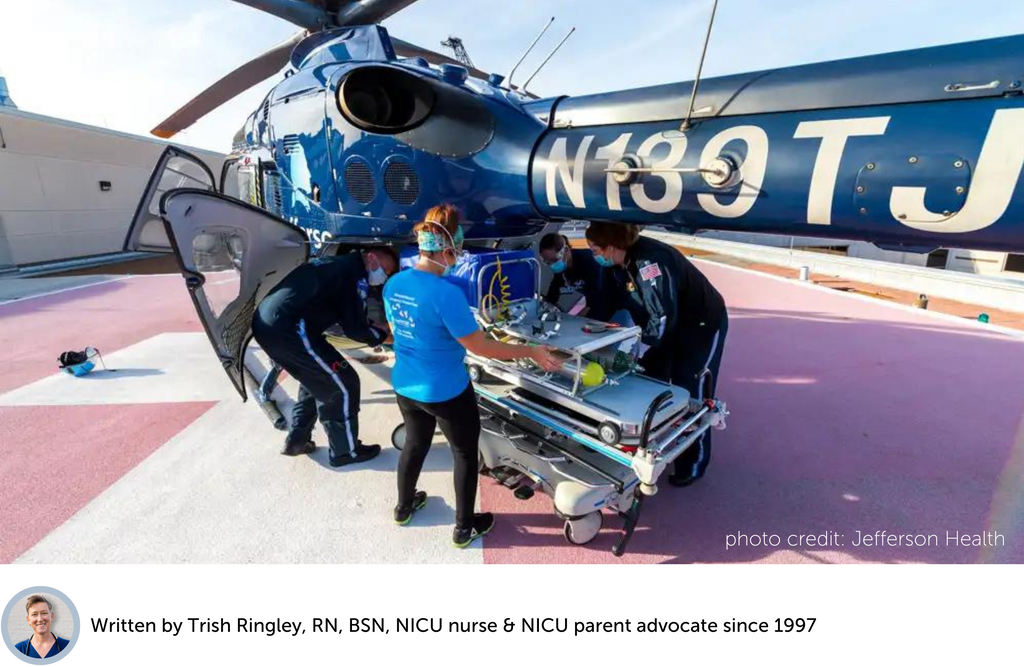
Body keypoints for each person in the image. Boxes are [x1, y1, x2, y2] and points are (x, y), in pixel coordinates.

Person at [384, 204, 562, 547]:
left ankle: (404, 507)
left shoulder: (395, 283)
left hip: (406, 384)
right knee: (464, 454)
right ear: (448, 248)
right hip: (446, 391)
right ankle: (464, 527)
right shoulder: (446, 293)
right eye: (459, 245)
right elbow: (481, 347)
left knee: (415, 444)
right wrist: (532, 351)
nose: (461, 253)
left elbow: (398, 330)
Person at [586, 222, 728, 487]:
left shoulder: (651, 262)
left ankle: (693, 462)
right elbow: (606, 302)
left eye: (595, 249)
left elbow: (661, 317)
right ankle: (647, 447)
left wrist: (637, 347)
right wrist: (590, 331)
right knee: (649, 382)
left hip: (701, 326)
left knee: (690, 391)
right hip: (664, 327)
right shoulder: (616, 265)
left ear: (611, 247)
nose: (594, 254)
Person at [252, 246, 397, 466]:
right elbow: (355, 329)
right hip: (289, 328)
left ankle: (297, 439)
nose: (383, 277)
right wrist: (390, 336)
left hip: (272, 325)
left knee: (317, 378)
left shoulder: (339, 266)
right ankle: (345, 451)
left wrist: (373, 328)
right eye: (385, 269)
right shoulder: (355, 275)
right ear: (371, 257)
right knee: (342, 384)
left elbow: (353, 319)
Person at [15, 595, 70, 659]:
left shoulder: (68, 646)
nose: (40, 619)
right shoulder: (18, 650)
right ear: (28, 620)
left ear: (51, 617)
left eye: (44, 613)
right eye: (34, 614)